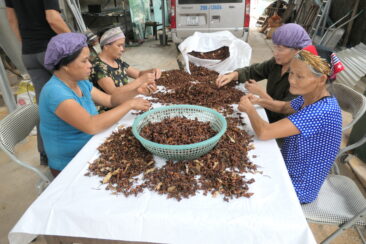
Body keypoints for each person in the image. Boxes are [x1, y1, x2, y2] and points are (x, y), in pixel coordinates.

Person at [39, 33, 156, 177]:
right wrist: (130, 104)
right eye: (84, 61)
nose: (90, 65)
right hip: (72, 163)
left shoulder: (80, 82)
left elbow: (110, 100)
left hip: (92, 146)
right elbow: (91, 125)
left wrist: (136, 91)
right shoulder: (55, 92)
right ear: (65, 66)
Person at [237, 45, 344, 203]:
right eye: (291, 73)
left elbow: (265, 132)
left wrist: (250, 110)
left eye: (299, 76)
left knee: (241, 186)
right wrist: (259, 100)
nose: (291, 80)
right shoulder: (310, 95)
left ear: (321, 80)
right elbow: (284, 107)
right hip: (287, 166)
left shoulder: (321, 111)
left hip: (297, 186)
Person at [5, 0, 71, 165]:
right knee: (73, 96)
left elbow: (12, 20)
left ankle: (45, 154)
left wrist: (27, 43)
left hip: (29, 53)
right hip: (52, 50)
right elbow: (53, 18)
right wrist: (75, 42)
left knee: (45, 105)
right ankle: (75, 150)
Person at [216, 23, 312, 123]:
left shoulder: (303, 78)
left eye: (280, 49)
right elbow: (253, 71)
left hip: (285, 127)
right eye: (275, 47)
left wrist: (260, 93)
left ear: (297, 51)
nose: (275, 53)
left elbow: (284, 110)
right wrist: (233, 75)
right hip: (268, 113)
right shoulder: (276, 63)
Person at [90, 27, 161, 112]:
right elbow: (113, 93)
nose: (122, 49)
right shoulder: (98, 66)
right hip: (110, 112)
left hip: (125, 103)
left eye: (123, 45)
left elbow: (138, 74)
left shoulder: (117, 60)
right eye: (119, 45)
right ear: (106, 46)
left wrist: (152, 71)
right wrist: (140, 81)